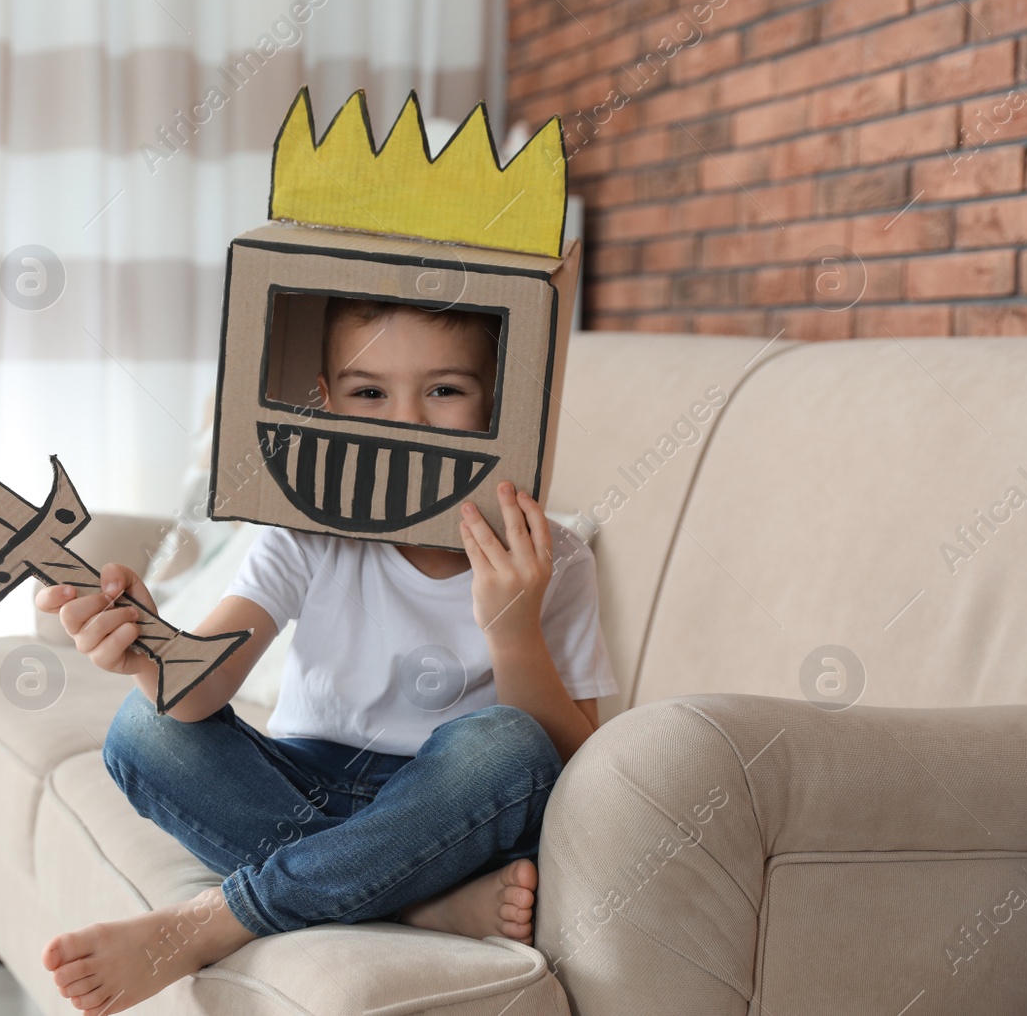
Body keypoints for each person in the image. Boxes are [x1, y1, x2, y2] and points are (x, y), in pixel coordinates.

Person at [38, 295, 618, 1015]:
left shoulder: (552, 555)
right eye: (370, 392)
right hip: (301, 783)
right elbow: (200, 689)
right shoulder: (307, 531)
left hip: (447, 805)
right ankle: (414, 901)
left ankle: (220, 920)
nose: (407, 421)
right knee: (143, 728)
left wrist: (513, 627)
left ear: (498, 405)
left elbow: (567, 762)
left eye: (444, 390)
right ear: (330, 404)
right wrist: (149, 650)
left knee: (507, 744)